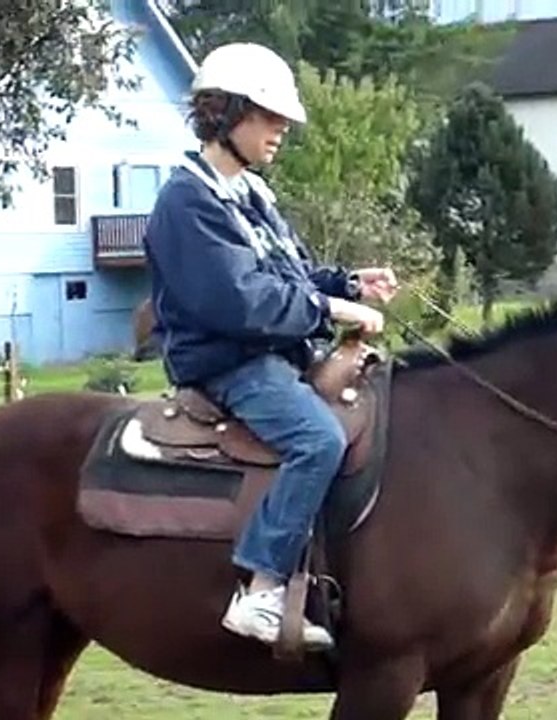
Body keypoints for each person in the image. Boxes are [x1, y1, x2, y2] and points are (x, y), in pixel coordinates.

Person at [142, 42, 398, 650]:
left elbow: (290, 276)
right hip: (231, 364)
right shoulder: (187, 201)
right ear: (225, 113)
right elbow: (240, 302)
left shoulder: (251, 195)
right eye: (267, 114)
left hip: (277, 355)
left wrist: (348, 282)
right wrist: (333, 308)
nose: (281, 128)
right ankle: (261, 590)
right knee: (318, 439)